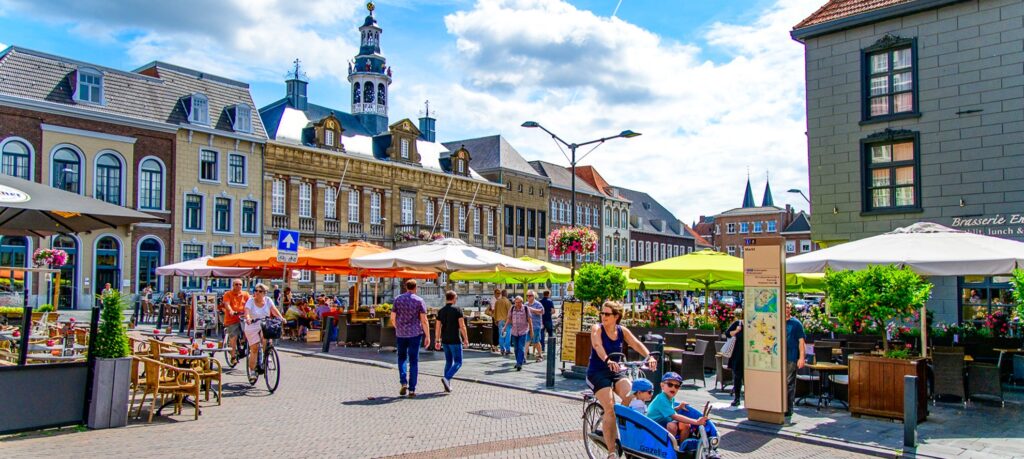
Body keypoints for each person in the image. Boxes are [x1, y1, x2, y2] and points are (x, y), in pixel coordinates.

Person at [587, 301, 658, 459]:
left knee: (633, 396)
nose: (603, 316)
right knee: (610, 407)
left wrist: (649, 356)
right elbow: (597, 346)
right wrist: (607, 360)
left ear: (616, 316)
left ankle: (617, 426)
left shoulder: (622, 331)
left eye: (607, 314)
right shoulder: (597, 329)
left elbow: (636, 343)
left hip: (617, 371)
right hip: (597, 372)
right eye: (602, 313)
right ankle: (612, 452)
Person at [648, 372, 719, 455]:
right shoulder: (661, 398)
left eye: (676, 386)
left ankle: (681, 449)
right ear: (662, 386)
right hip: (652, 427)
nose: (673, 388)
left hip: (663, 423)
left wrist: (678, 408)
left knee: (685, 425)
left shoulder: (670, 398)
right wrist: (696, 422)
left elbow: (666, 411)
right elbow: (675, 416)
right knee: (672, 426)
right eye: (670, 384)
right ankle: (669, 450)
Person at [391, 279, 430, 397]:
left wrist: (397, 327)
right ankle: (412, 389)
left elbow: (392, 317)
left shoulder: (397, 299)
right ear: (416, 287)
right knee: (414, 361)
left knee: (402, 358)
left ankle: (403, 382)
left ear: (406, 287)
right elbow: (424, 320)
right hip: (415, 334)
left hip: (401, 334)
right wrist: (427, 335)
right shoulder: (419, 301)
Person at [243, 283, 285, 383]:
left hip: (264, 323)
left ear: (264, 293)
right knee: (254, 348)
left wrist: (281, 318)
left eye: (260, 291)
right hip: (252, 325)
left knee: (266, 337)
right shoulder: (251, 301)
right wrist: (248, 318)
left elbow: (274, 310)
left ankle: (268, 354)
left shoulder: (268, 300)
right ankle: (252, 371)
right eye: (256, 291)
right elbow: (247, 311)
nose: (257, 293)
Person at [434, 290, 468, 393]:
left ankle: (447, 385)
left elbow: (438, 327)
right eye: (456, 298)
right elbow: (462, 326)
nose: (456, 299)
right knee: (458, 362)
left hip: (445, 340)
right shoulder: (457, 310)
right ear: (453, 298)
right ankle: (447, 378)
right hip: (455, 339)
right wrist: (466, 339)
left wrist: (437, 340)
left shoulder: (441, 311)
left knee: (449, 361)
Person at [785, 305, 807, 420]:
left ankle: (788, 408)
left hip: (791, 357)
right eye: (784, 308)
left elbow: (801, 341)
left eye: (788, 308)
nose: (787, 310)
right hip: (779, 358)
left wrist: (801, 357)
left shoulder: (796, 323)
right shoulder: (776, 322)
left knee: (789, 383)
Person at [221, 279, 250, 362]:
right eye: (236, 284)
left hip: (243, 317)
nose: (238, 286)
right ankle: (233, 356)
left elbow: (250, 303)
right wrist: (231, 311)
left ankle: (244, 342)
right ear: (233, 285)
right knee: (233, 337)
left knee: (249, 331)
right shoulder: (228, 294)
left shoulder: (245, 294)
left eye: (240, 284)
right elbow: (227, 304)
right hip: (232, 319)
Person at [503, 296, 533, 371]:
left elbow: (530, 320)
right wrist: (504, 327)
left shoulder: (526, 309)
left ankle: (519, 363)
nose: (518, 304)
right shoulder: (512, 308)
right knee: (516, 348)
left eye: (519, 302)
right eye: (516, 302)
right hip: (514, 331)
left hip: (523, 331)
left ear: (522, 302)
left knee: (520, 347)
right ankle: (518, 361)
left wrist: (531, 331)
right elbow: (509, 318)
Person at [725, 308, 744, 406]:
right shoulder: (738, 323)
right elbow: (727, 334)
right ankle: (737, 398)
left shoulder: (753, 325)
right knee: (738, 377)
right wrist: (736, 331)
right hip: (737, 355)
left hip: (750, 356)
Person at [525, 290, 544, 361]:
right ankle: (524, 357)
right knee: (527, 341)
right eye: (527, 296)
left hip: (536, 326)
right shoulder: (525, 304)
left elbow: (542, 311)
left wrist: (532, 310)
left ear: (533, 296)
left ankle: (540, 355)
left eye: (530, 296)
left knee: (536, 342)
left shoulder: (538, 304)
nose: (528, 297)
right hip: (527, 327)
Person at [493, 289, 512, 356]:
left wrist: (495, 320)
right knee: (507, 336)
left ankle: (502, 349)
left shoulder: (497, 302)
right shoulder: (508, 302)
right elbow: (510, 313)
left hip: (499, 321)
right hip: (507, 321)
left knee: (501, 336)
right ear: (506, 294)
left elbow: (495, 312)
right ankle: (507, 350)